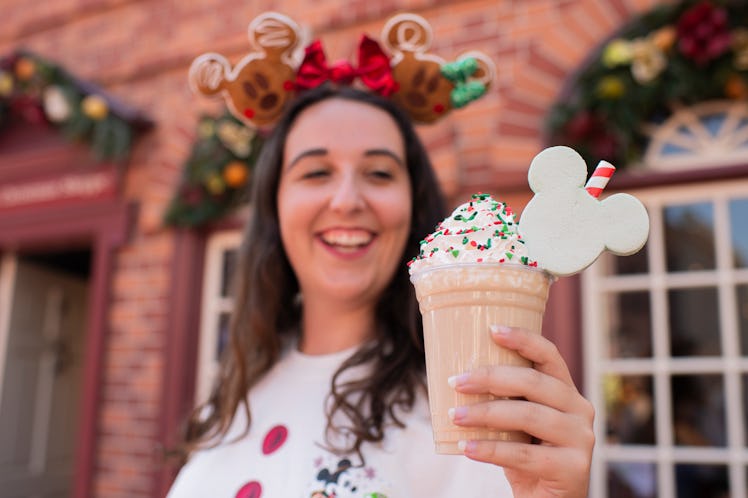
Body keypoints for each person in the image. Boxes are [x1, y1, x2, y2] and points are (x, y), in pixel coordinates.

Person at [167, 84, 595, 498]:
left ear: (413, 206)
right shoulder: (233, 395)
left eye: (379, 172)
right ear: (274, 207)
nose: (347, 199)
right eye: (316, 172)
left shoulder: (466, 408)